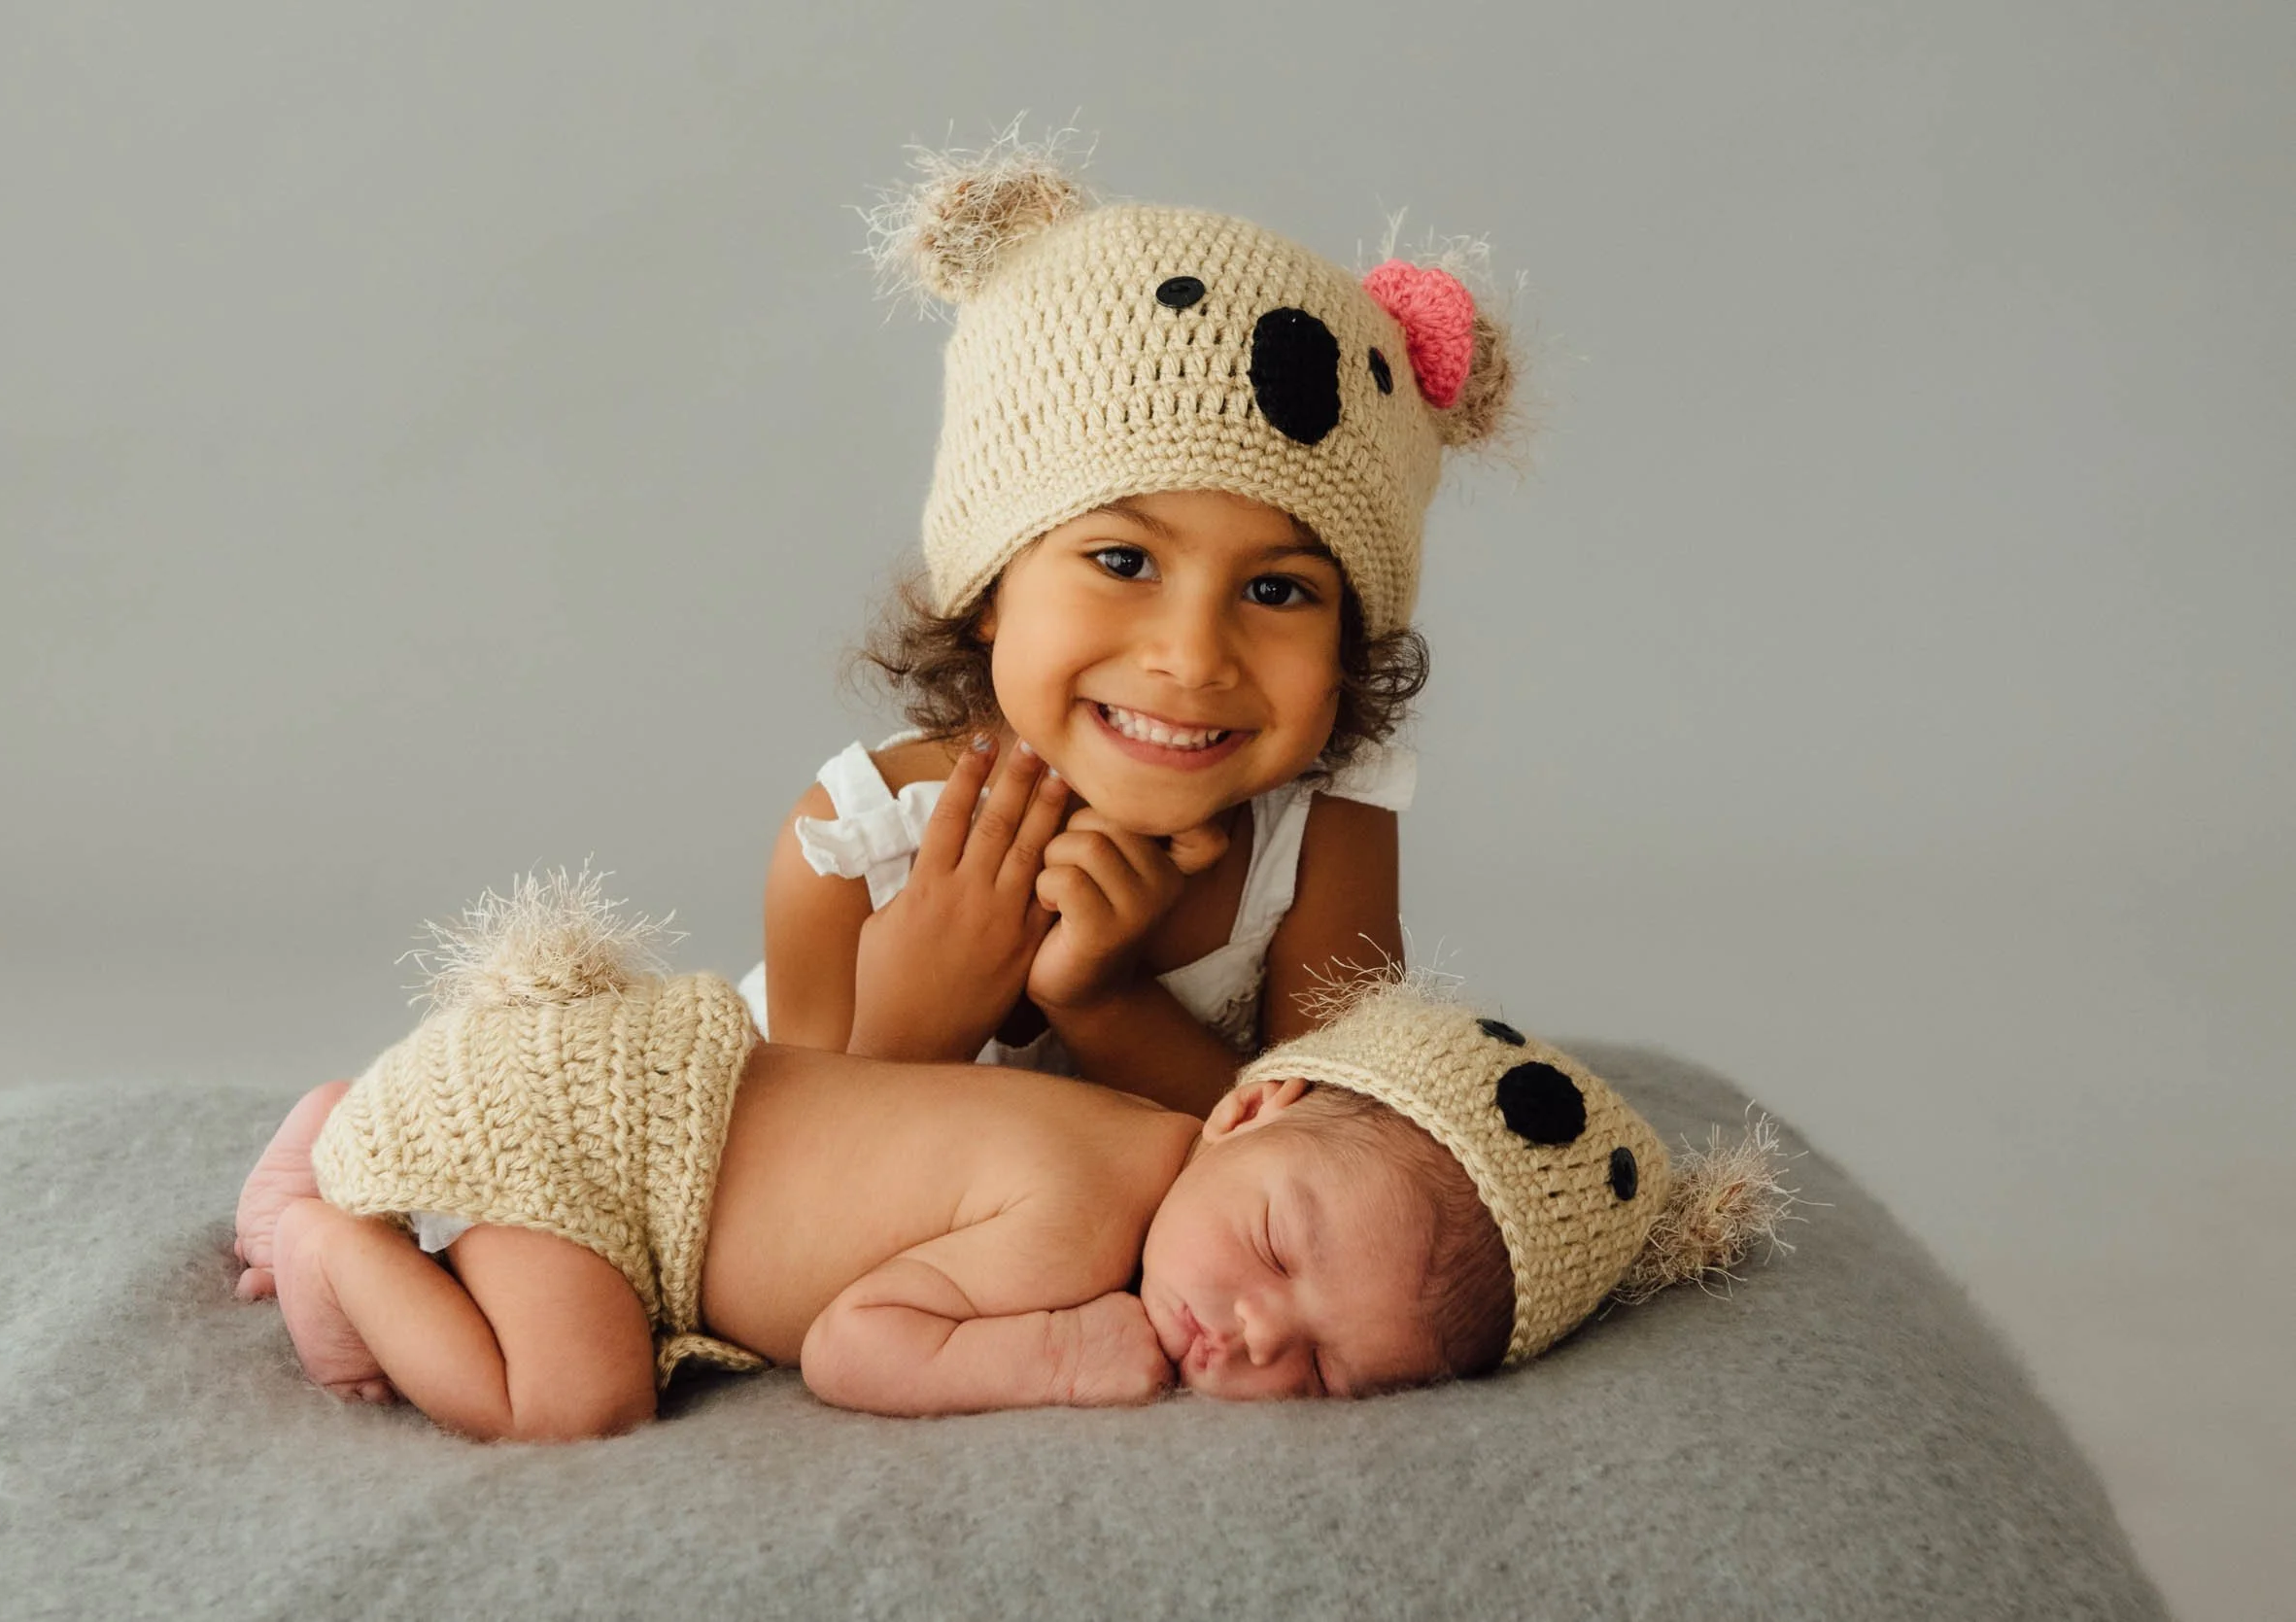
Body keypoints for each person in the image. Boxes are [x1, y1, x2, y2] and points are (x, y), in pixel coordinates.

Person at [232, 872, 1792, 1442]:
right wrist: (1054, 1360)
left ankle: (343, 1125)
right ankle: (326, 1227)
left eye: (1319, 1369)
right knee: (571, 1401)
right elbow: (854, 1344)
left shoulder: (1149, 1160)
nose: (1251, 1331)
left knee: (523, 1346)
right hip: (597, 1147)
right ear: (1246, 1109)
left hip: (624, 1134)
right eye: (1273, 1250)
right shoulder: (1085, 1212)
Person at [744, 128, 1523, 1116]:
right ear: (989, 589)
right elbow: (784, 1215)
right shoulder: (854, 845)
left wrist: (1103, 1000)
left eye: (1278, 590)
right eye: (1121, 561)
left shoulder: (1321, 834)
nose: (1192, 658)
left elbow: (1324, 1170)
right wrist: (912, 1028)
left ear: (1347, 647)